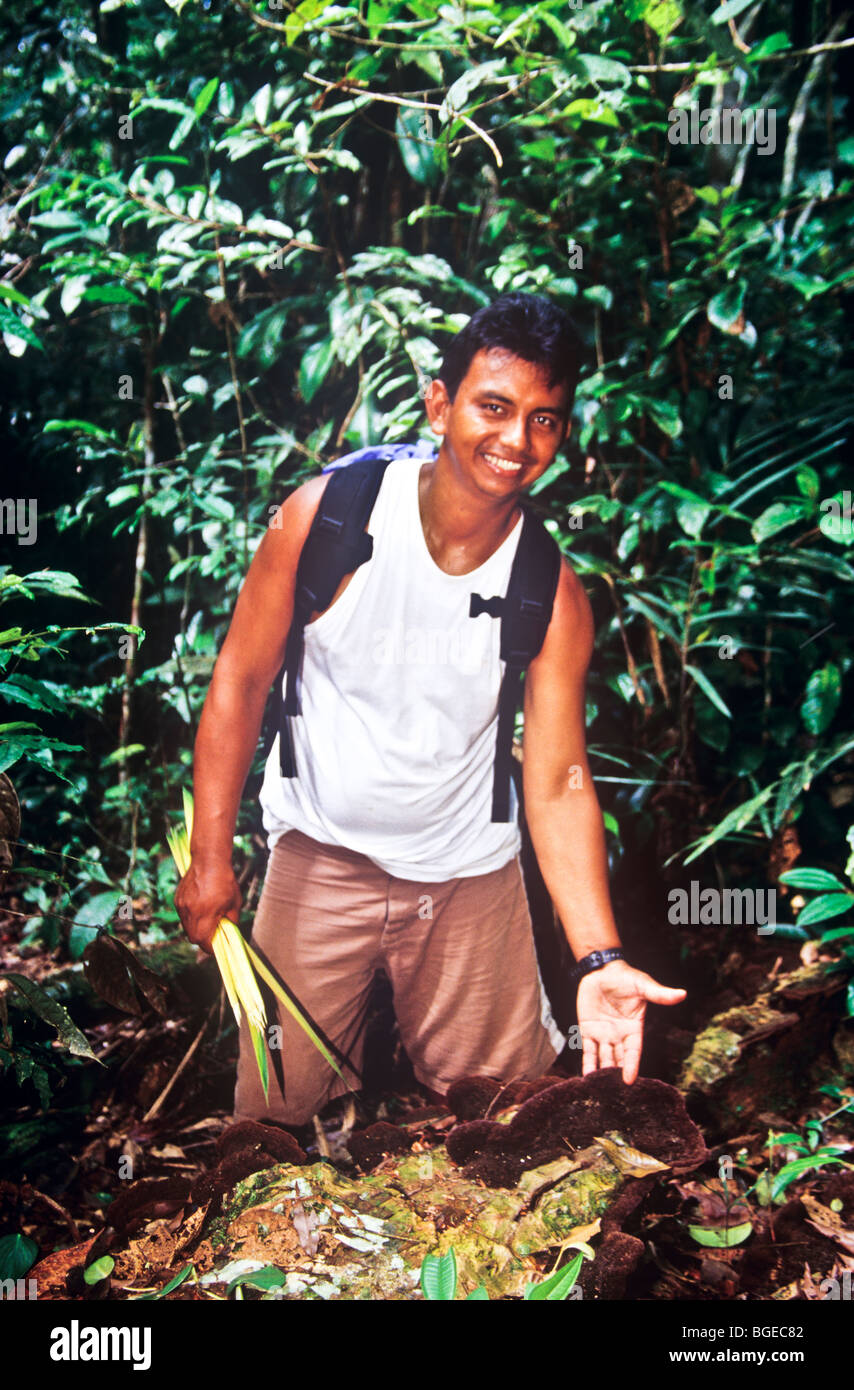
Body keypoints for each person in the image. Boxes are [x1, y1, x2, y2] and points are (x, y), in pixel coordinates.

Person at [175, 292, 686, 1126]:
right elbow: (238, 681)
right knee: (270, 1124)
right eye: (493, 406)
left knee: (516, 1120)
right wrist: (210, 859)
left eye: (545, 421)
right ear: (441, 404)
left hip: (465, 875)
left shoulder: (548, 591)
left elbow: (556, 777)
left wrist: (600, 956)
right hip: (320, 851)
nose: (516, 441)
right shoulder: (328, 520)